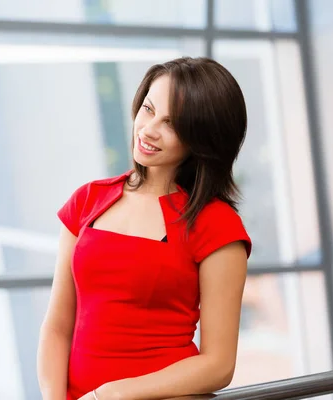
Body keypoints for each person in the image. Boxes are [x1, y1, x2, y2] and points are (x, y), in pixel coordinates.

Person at [37, 57, 252, 400]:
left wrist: (109, 395)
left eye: (172, 123)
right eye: (149, 109)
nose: (149, 129)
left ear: (202, 137)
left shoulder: (216, 224)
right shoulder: (88, 199)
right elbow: (57, 326)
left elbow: (218, 364)